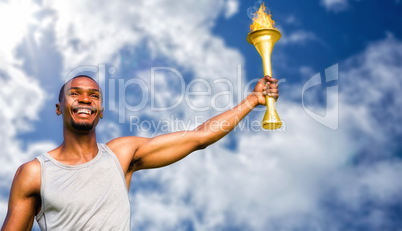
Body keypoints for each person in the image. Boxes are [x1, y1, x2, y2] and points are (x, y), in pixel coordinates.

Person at [1, 74, 279, 230]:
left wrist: (252, 100)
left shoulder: (121, 154)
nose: (85, 99)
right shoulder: (35, 173)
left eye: (94, 96)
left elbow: (199, 137)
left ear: (101, 113)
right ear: (59, 107)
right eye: (75, 93)